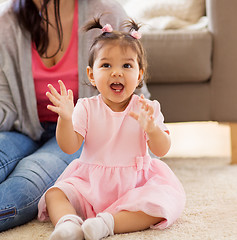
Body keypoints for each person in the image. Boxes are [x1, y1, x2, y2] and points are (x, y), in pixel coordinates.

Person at [0, 0, 150, 232]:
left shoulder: (107, 13)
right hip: (21, 128)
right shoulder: (8, 22)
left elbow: (138, 95)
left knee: (32, 173)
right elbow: (5, 106)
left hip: (79, 132)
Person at [38, 17, 186, 240]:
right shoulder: (86, 108)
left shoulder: (147, 108)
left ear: (139, 76)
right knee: (55, 194)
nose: (116, 72)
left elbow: (163, 149)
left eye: (127, 65)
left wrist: (152, 129)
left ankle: (106, 224)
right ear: (91, 75)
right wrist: (66, 119)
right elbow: (69, 147)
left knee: (162, 202)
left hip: (135, 185)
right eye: (106, 65)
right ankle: (68, 225)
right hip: (90, 185)